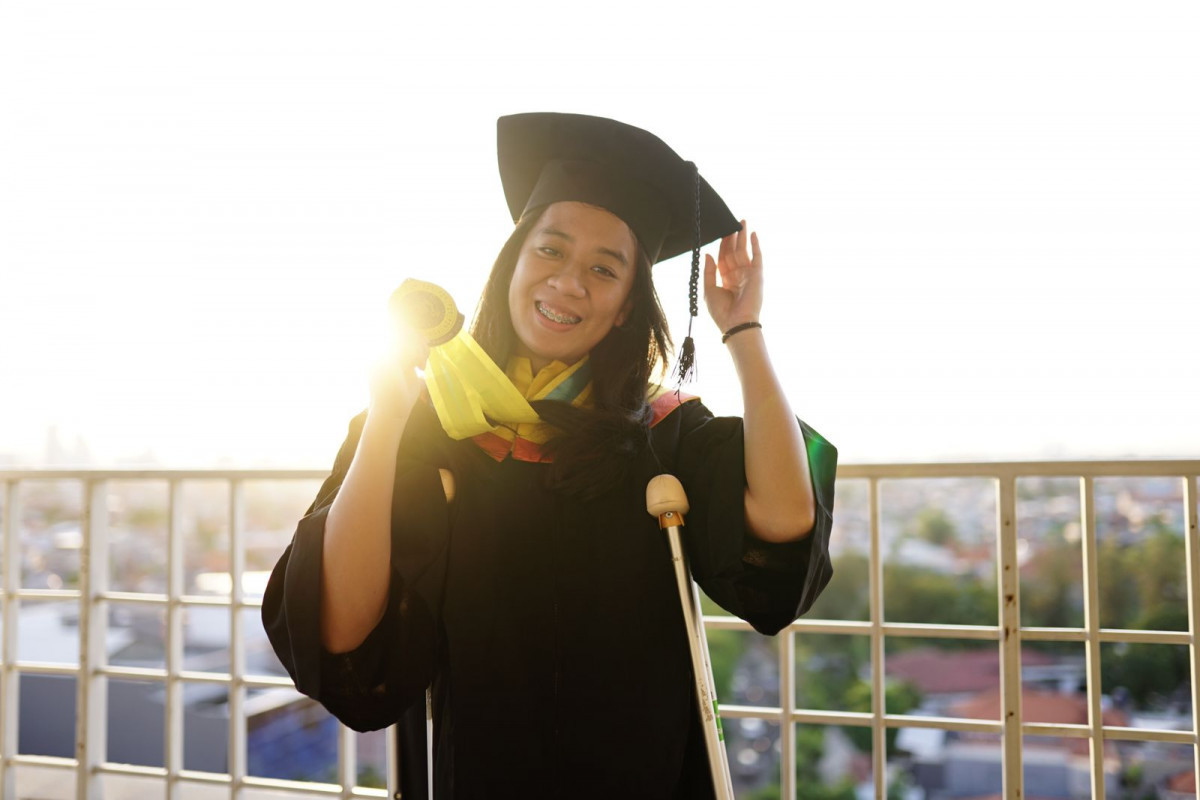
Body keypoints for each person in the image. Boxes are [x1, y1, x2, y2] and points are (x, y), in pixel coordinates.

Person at [262, 112, 838, 799]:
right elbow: (341, 630)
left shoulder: (663, 434)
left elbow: (783, 522)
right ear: (512, 263)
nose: (568, 282)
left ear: (627, 305)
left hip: (646, 777)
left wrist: (743, 330)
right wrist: (389, 416)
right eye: (550, 251)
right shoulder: (426, 426)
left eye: (604, 268)